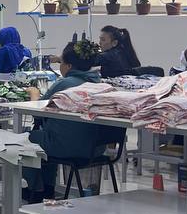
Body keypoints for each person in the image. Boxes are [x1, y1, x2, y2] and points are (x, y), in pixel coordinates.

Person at [22, 40, 124, 203]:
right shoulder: (99, 84)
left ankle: (34, 189)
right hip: (96, 148)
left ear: (68, 66)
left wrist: (33, 93)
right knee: (47, 136)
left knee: (27, 139)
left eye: (61, 63)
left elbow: (37, 112)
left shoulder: (65, 84)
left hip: (69, 147)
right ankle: (47, 188)